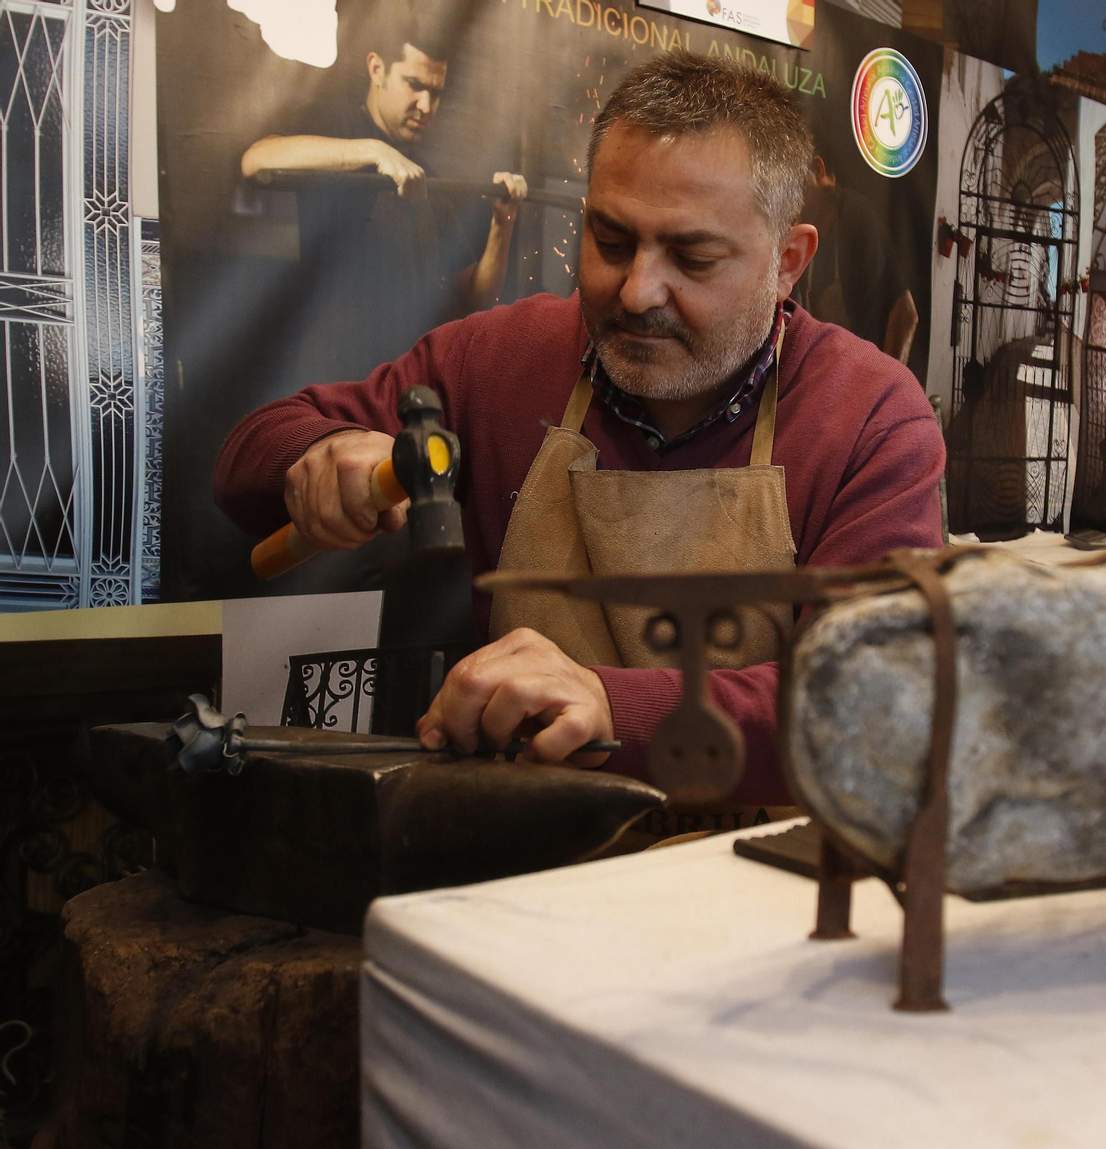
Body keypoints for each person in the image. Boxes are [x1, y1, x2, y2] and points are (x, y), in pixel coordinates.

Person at [214, 53, 945, 817]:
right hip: (519, 854)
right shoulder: (500, 358)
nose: (637, 292)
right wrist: (316, 459)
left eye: (692, 257)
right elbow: (245, 461)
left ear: (787, 262)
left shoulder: (868, 415)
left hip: (749, 887)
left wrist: (610, 705)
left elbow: (870, 707)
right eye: (612, 239)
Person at [240, 6, 528, 384]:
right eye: (414, 85)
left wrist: (501, 224)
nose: (426, 106)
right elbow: (256, 159)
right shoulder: (335, 127)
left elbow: (476, 294)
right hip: (326, 374)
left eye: (435, 93)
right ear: (377, 70)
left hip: (399, 380)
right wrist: (374, 152)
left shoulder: (426, 176)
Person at [795, 148, 919, 362]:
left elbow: (906, 313)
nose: (788, 199)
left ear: (818, 170)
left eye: (793, 185)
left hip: (864, 374)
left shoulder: (856, 217)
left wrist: (887, 384)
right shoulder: (807, 238)